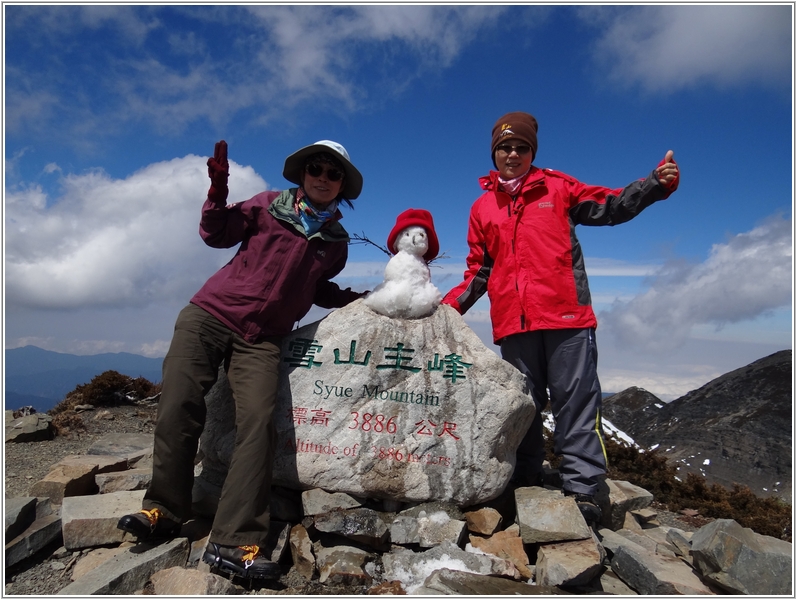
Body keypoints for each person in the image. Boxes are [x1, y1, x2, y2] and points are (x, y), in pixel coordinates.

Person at [117, 139, 367, 578]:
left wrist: (357, 301)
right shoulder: (269, 206)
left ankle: (234, 542)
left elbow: (316, 288)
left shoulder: (336, 241)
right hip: (209, 315)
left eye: (333, 173)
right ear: (303, 173)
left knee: (257, 425)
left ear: (342, 184)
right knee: (178, 407)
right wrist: (217, 189)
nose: (323, 177)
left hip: (264, 339)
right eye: (317, 168)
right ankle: (163, 510)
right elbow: (216, 234)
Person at [442, 111, 679, 524]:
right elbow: (479, 269)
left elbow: (610, 206)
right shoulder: (482, 207)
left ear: (532, 151)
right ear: (494, 153)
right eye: (504, 147)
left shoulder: (559, 187)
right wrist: (447, 309)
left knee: (576, 404)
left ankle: (585, 490)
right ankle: (523, 481)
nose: (512, 153)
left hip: (567, 317)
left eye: (521, 147)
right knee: (523, 408)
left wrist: (654, 185)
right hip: (514, 325)